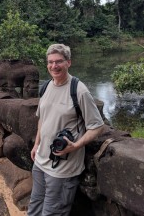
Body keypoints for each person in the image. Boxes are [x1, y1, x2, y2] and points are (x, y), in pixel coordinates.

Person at [27, 44, 104, 216]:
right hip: (40, 161)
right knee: (34, 209)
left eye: (59, 61)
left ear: (68, 62)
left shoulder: (79, 90)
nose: (54, 66)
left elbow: (97, 126)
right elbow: (42, 119)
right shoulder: (46, 86)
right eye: (50, 62)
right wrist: (36, 145)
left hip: (62, 169)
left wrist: (76, 146)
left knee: (53, 212)